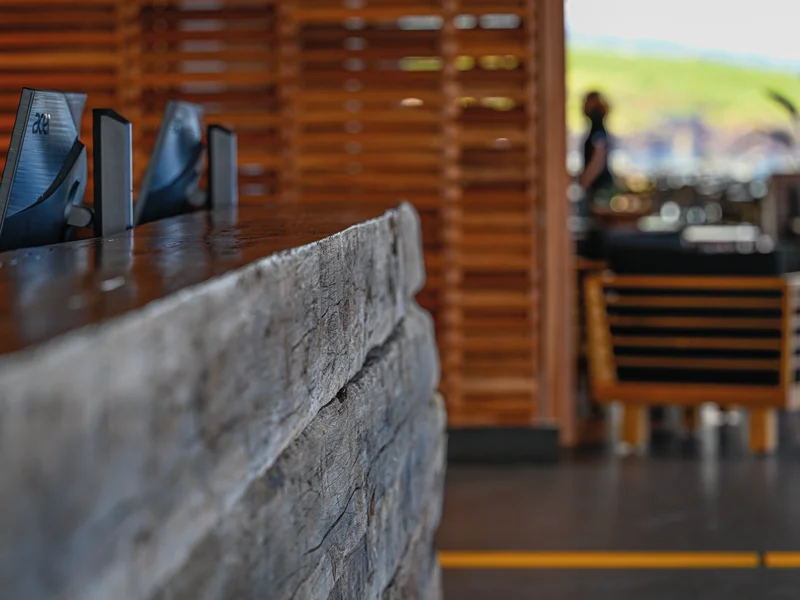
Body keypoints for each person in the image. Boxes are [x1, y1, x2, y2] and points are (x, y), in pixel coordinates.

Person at [579, 91, 616, 209]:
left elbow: (598, 160)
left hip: (600, 187)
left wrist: (584, 181)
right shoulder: (597, 129)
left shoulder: (597, 129)